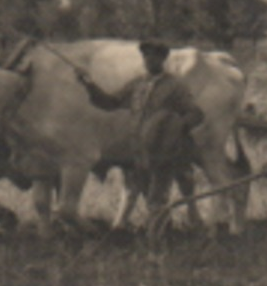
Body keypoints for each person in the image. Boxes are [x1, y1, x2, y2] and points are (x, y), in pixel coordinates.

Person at [77, 40, 206, 229]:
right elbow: (110, 102)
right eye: (146, 56)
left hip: (162, 152)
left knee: (157, 198)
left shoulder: (175, 86)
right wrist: (89, 85)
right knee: (144, 193)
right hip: (138, 151)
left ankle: (157, 246)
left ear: (163, 59)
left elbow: (196, 114)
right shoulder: (137, 84)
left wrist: (175, 128)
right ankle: (161, 232)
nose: (149, 60)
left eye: (154, 56)